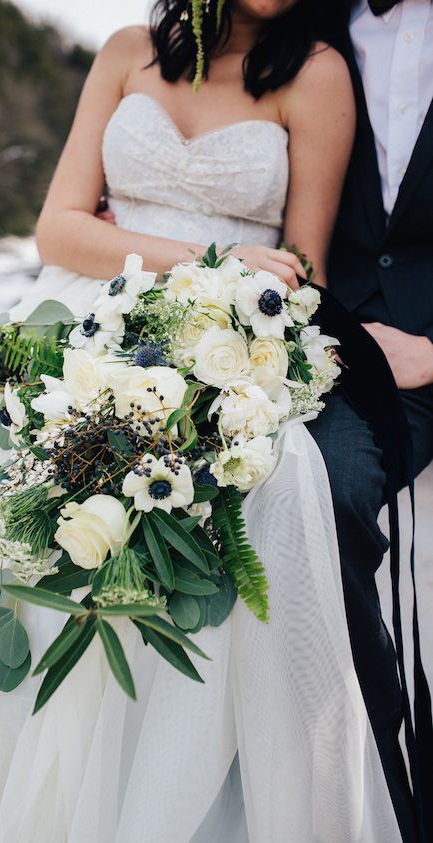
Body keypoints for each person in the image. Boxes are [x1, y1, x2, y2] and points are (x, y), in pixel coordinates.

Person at [0, 2, 405, 840]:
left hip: (226, 339)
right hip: (82, 314)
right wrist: (206, 258)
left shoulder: (316, 72)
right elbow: (59, 228)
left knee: (200, 525)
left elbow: (303, 264)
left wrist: (225, 295)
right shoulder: (125, 52)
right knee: (9, 512)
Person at [308, 3, 433, 841]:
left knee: (332, 491)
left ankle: (392, 793)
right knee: (303, 484)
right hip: (333, 343)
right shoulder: (307, 20)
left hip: (425, 357)